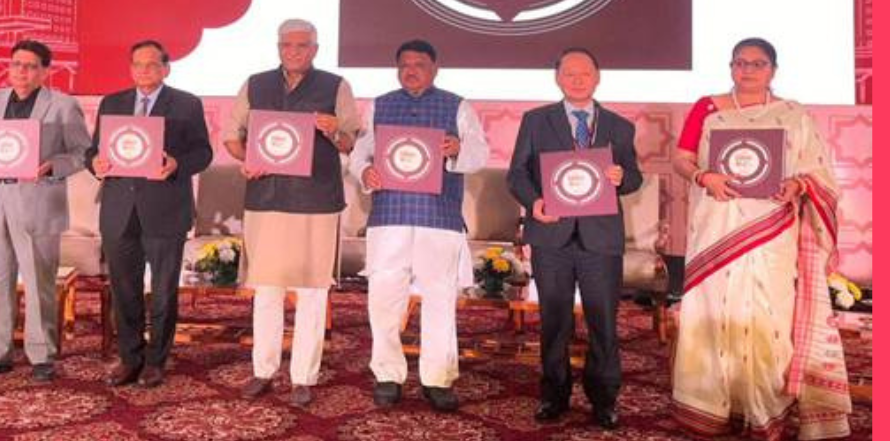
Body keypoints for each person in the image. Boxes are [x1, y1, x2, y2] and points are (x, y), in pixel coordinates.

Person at [670, 38, 851, 440]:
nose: (748, 70)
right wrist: (703, 176)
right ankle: (712, 404)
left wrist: (797, 185)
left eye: (758, 63)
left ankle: (764, 406)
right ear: (730, 67)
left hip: (772, 230)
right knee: (715, 311)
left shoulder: (793, 114)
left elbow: (816, 173)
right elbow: (681, 159)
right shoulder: (708, 108)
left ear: (773, 70)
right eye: (740, 63)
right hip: (717, 228)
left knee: (769, 314)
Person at [222, 19, 361, 407]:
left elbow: (351, 142)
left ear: (315, 49)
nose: (294, 51)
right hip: (266, 199)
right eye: (287, 45)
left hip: (316, 202)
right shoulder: (255, 84)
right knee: (267, 289)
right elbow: (232, 137)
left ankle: (303, 376)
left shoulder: (336, 86)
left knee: (312, 292)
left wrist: (334, 130)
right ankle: (263, 370)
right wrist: (247, 160)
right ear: (278, 47)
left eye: (302, 45)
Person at [506, 47, 642, 429]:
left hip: (601, 240)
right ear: (557, 78)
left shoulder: (619, 126)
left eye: (585, 73)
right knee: (554, 321)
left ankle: (604, 399)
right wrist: (534, 203)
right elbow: (516, 174)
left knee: (604, 323)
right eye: (569, 73)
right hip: (551, 236)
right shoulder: (536, 121)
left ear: (598, 77)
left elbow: (634, 177)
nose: (578, 79)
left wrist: (621, 177)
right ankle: (554, 394)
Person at [349, 39, 488, 411]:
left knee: (440, 299)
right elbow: (360, 154)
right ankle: (388, 375)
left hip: (438, 217)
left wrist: (458, 150)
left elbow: (480, 153)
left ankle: (438, 379)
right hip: (389, 215)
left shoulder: (457, 106)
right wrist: (365, 172)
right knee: (384, 299)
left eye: (419, 64)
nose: (411, 71)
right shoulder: (379, 105)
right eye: (405, 65)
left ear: (435, 68)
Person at [0, 40, 91, 383]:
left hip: (37, 199)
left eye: (31, 66)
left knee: (38, 282)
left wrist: (52, 166)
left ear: (45, 71)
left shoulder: (63, 106)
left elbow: (82, 153)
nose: (22, 71)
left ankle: (41, 354)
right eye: (17, 64)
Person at [87, 40, 213, 388]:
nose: (144, 70)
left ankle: (156, 360)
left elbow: (203, 153)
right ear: (131, 69)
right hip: (118, 210)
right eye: (138, 65)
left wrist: (176, 164)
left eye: (152, 64)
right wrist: (94, 163)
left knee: (162, 291)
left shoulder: (186, 104)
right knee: (123, 289)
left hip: (165, 209)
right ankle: (130, 358)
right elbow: (93, 150)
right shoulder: (112, 103)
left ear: (166, 68)